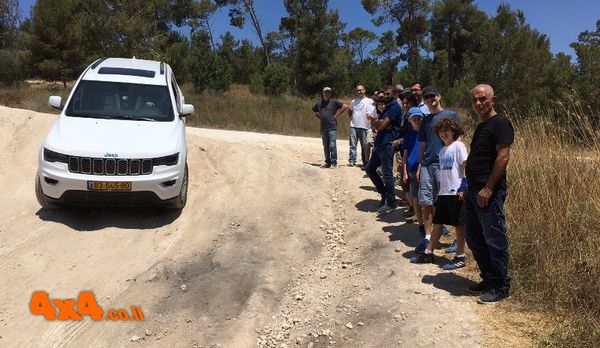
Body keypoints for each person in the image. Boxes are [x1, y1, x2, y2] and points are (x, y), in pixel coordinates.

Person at [465, 84, 514, 304]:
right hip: (473, 191)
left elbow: (503, 157)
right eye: (475, 100)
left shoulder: (500, 123)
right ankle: (489, 279)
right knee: (474, 237)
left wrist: (489, 188)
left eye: (483, 99)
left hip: (488, 192)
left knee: (494, 238)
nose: (478, 103)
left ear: (492, 99)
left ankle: (502, 287)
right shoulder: (481, 126)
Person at [411, 117, 468, 270]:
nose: (443, 134)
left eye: (446, 131)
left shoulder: (458, 146)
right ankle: (428, 252)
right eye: (440, 131)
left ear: (453, 131)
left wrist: (464, 185)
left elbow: (465, 165)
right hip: (444, 193)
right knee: (437, 223)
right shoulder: (442, 150)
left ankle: (460, 256)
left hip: (456, 191)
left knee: (459, 225)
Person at [415, 86, 460, 254]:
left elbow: (457, 143)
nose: (430, 99)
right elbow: (423, 144)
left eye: (432, 96)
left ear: (439, 96)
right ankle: (428, 236)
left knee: (450, 201)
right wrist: (420, 164)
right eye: (426, 97)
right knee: (426, 201)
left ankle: (458, 238)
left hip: (445, 166)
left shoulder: (451, 115)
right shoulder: (425, 120)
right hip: (427, 164)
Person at [365, 86, 403, 213]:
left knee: (387, 174)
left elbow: (380, 125)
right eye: (385, 94)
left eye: (388, 94)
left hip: (387, 144)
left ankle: (391, 202)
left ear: (394, 94)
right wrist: (379, 123)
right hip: (379, 143)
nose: (386, 96)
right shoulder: (386, 107)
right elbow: (376, 126)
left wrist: (379, 123)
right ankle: (384, 194)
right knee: (369, 169)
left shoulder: (395, 107)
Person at [311, 87, 348, 168]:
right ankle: (327, 162)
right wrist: (318, 116)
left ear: (330, 93)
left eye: (328, 92)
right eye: (325, 92)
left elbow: (345, 106)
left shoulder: (334, 102)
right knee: (325, 145)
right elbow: (313, 110)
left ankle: (334, 162)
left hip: (332, 126)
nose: (327, 94)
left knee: (332, 145)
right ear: (323, 93)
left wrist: (337, 115)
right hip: (323, 127)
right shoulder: (319, 103)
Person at [402, 107, 424, 231]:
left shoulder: (425, 134)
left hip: (424, 169)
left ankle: (437, 224)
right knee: (415, 197)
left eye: (419, 118)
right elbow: (405, 155)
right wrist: (404, 172)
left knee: (427, 198)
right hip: (411, 169)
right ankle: (420, 223)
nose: (417, 120)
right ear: (410, 120)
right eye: (414, 118)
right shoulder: (409, 135)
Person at [348, 85, 375, 167]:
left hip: (365, 126)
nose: (359, 92)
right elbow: (349, 109)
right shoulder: (354, 101)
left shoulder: (370, 101)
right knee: (353, 144)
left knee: (365, 146)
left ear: (364, 90)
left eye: (361, 90)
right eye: (357, 90)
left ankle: (365, 162)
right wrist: (351, 116)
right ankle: (352, 160)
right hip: (354, 125)